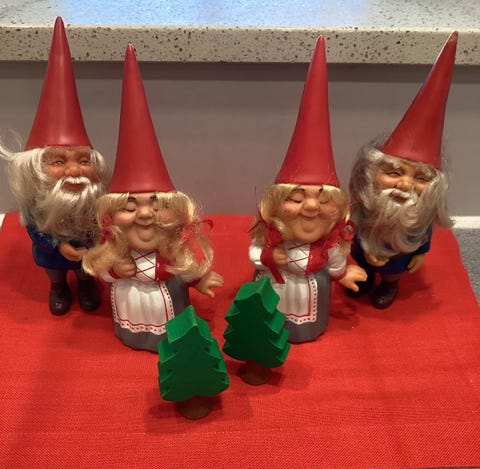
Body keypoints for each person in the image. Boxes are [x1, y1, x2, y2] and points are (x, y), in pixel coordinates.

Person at [83, 44, 223, 352]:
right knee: (134, 326)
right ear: (111, 217)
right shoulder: (115, 251)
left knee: (168, 329)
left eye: (156, 206)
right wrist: (116, 271)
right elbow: (101, 269)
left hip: (165, 302)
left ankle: (164, 337)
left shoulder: (173, 253)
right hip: (130, 302)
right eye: (130, 207)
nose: (145, 215)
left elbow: (186, 269)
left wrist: (199, 280)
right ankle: (132, 334)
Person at [248, 36, 366, 343]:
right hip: (276, 285)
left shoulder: (327, 246)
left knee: (306, 317)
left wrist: (343, 274)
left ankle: (306, 328)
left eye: (323, 200)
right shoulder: (272, 238)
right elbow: (254, 253)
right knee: (272, 316)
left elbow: (336, 261)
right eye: (297, 198)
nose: (311, 207)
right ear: (275, 206)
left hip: (312, 291)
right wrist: (270, 257)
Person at [0, 17, 109, 315]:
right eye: (58, 162)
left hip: (87, 252)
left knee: (85, 269)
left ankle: (85, 283)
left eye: (83, 160)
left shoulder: (94, 197)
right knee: (55, 270)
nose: (74, 171)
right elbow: (34, 228)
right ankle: (58, 286)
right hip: (52, 251)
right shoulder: (37, 202)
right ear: (35, 168)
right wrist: (58, 246)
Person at [348, 32, 457, 309]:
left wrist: (420, 253)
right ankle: (365, 279)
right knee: (362, 266)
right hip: (364, 249)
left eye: (420, 178)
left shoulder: (420, 211)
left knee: (392, 272)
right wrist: (363, 250)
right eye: (395, 173)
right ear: (371, 172)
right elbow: (354, 225)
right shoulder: (365, 204)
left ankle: (389, 284)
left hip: (398, 258)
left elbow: (424, 232)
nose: (406, 185)